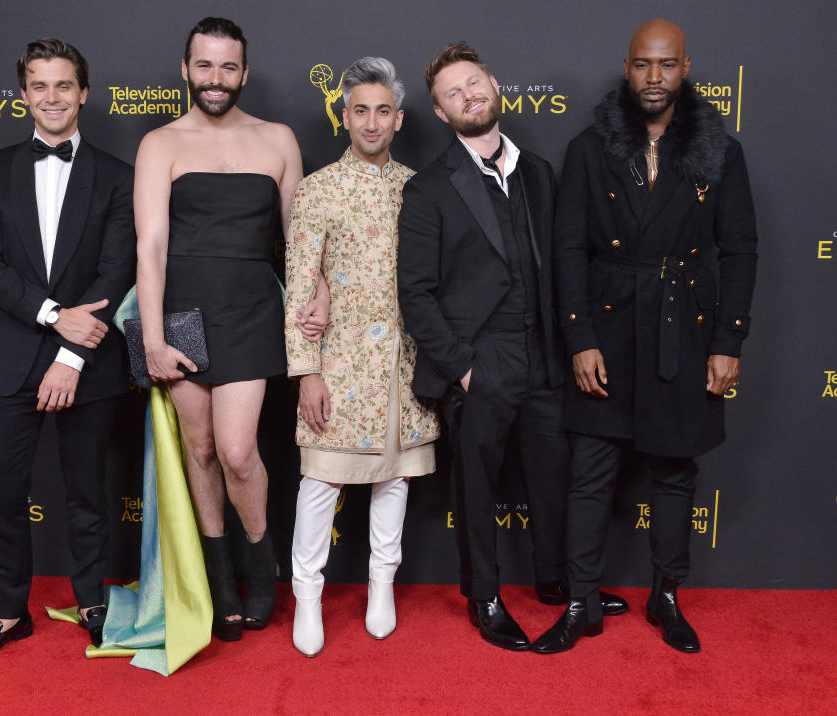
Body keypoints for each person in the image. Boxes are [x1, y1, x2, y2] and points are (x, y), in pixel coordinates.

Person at [534, 19, 757, 654]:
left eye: (665, 65)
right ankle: (580, 603)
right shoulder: (588, 148)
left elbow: (739, 250)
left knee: (673, 471)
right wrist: (579, 338)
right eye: (641, 65)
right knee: (589, 473)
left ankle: (666, 597)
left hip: (681, 331)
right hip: (606, 326)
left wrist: (728, 342)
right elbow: (568, 249)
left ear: (685, 67)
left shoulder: (722, 151)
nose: (653, 78)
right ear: (626, 69)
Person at [398, 42, 626, 652]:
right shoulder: (427, 190)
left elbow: (560, 266)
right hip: (482, 359)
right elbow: (416, 295)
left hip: (546, 355)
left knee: (554, 478)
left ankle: (557, 583)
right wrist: (465, 371)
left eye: (475, 82)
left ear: (495, 85)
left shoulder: (540, 172)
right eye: (453, 92)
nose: (469, 94)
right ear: (442, 114)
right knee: (476, 489)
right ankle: (486, 598)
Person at [0, 38, 136, 664]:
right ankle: (8, 613)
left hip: (89, 361)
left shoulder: (117, 175)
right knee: (3, 493)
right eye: (39, 85)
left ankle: (93, 602)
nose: (52, 97)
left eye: (64, 85)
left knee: (88, 491)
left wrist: (73, 355)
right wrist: (56, 319)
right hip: (9, 356)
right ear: (24, 93)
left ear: (84, 93)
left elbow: (118, 269)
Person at [133, 17, 304, 641]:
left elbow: (299, 242)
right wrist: (152, 339)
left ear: (245, 73)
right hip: (181, 313)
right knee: (199, 450)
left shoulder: (279, 139)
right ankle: (218, 574)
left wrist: (318, 300)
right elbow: (150, 247)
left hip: (254, 308)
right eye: (204, 66)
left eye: (227, 67)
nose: (215, 79)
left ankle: (262, 564)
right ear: (185, 69)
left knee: (237, 451)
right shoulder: (161, 143)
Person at [285, 57, 440, 658]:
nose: (371, 122)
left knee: (395, 477)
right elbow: (301, 285)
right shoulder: (318, 189)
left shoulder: (420, 187)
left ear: (398, 119)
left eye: (382, 111)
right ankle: (307, 594)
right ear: (343, 117)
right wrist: (307, 371)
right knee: (321, 479)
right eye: (359, 110)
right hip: (339, 361)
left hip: (406, 361)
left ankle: (382, 585)